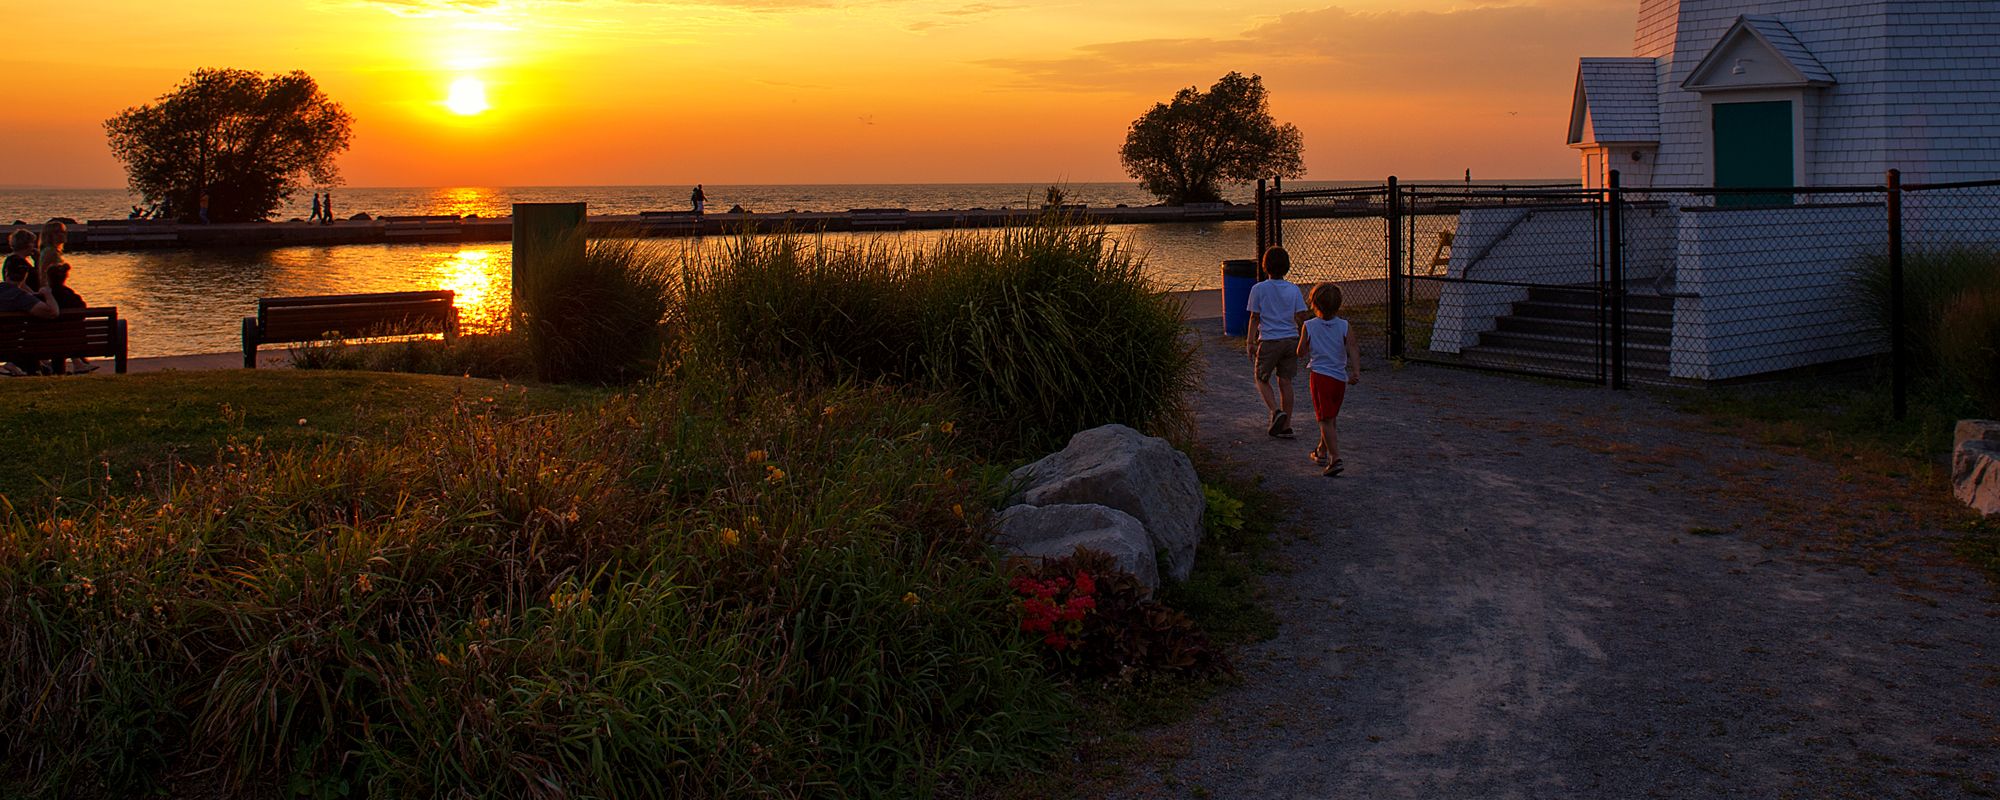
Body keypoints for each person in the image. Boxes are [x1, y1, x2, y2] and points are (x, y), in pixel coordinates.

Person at [1244, 245, 1310, 439]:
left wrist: (1250, 342)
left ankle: (1275, 411)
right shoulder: (1293, 289)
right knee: (1285, 381)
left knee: (1261, 378)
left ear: (1265, 267)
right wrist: (1305, 340)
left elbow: (1255, 318)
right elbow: (1301, 316)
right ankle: (1286, 425)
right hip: (1290, 339)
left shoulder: (1258, 289)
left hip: (1270, 340)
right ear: (1287, 267)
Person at [1297, 282, 1361, 476]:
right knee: (1331, 416)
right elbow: (1352, 348)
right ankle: (1321, 450)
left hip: (1320, 377)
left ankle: (1335, 458)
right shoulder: (1344, 326)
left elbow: (1300, 352)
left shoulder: (1309, 326)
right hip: (1339, 378)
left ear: (1314, 303)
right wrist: (1355, 371)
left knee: (1324, 419)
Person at [1, 230, 59, 375]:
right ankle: (34, 364)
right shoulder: (20, 297)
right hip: (16, 339)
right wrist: (46, 294)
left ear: (6, 273)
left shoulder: (11, 263)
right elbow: (53, 312)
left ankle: (33, 364)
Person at [44, 262, 95, 373]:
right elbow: (82, 315)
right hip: (73, 342)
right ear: (65, 277)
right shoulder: (74, 298)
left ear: (47, 277)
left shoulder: (43, 298)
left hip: (46, 343)